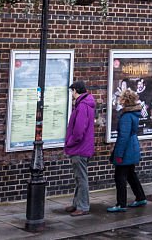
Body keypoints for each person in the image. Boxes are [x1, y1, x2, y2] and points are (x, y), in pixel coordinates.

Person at [107, 88, 147, 213]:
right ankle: (140, 197)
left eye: (121, 98)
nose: (119, 100)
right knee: (130, 174)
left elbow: (123, 137)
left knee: (120, 176)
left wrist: (118, 155)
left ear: (125, 100)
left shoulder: (126, 116)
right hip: (132, 146)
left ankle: (121, 204)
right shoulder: (133, 113)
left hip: (126, 149)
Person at [63, 81, 96, 216]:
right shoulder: (86, 103)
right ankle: (77, 204)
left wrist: (70, 142)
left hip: (79, 148)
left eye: (72, 91)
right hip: (84, 147)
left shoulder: (82, 106)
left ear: (76, 90)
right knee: (79, 178)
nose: (72, 94)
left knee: (81, 178)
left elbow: (79, 130)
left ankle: (83, 206)